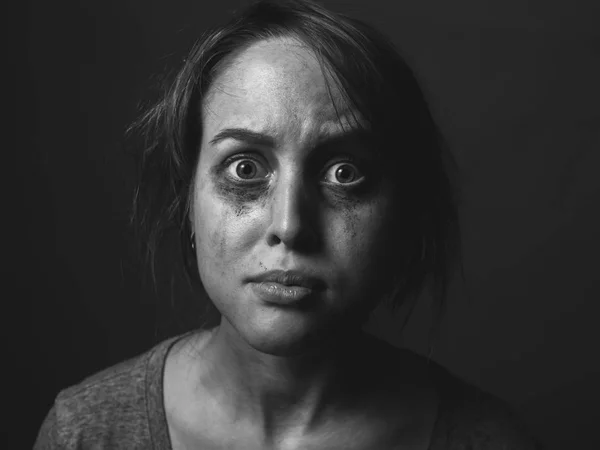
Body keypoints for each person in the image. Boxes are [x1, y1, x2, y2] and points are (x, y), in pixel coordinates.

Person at [34, 0, 541, 448]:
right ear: (187, 198)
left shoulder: (488, 440)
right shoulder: (84, 433)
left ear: (403, 212)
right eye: (245, 169)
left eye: (344, 173)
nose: (290, 225)